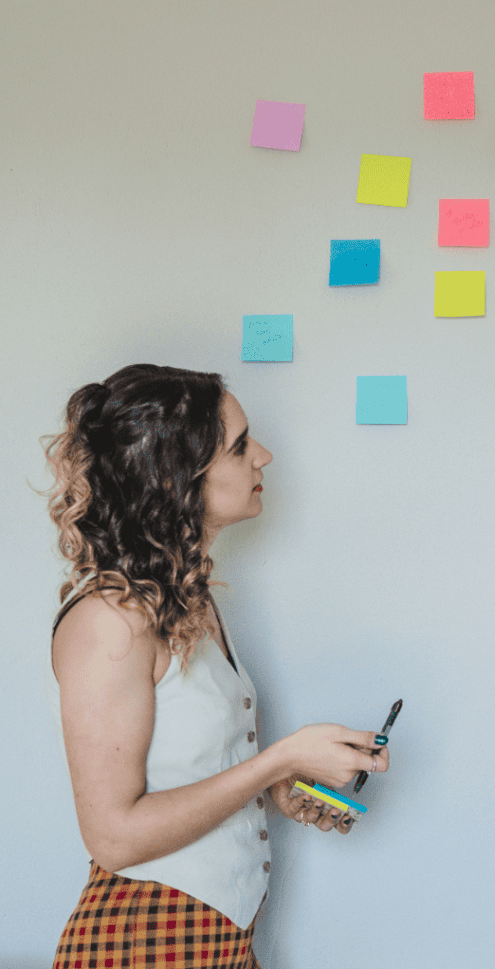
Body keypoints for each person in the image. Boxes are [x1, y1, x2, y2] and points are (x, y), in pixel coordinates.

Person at [44, 364, 389, 969]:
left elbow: (185, 767)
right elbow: (114, 837)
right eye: (239, 445)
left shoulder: (184, 597)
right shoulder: (108, 621)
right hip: (144, 943)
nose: (264, 456)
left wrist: (279, 784)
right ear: (177, 477)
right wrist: (277, 759)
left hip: (221, 943)